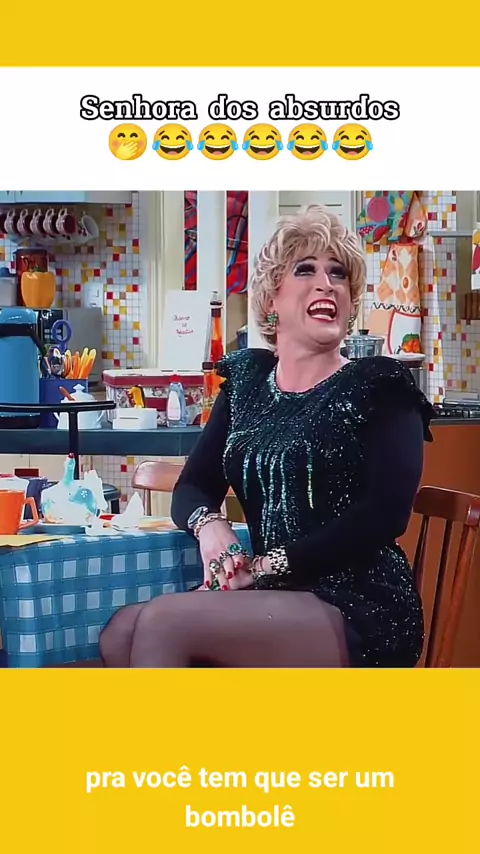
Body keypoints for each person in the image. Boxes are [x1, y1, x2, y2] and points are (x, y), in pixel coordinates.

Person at [100, 204, 435, 669]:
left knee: (163, 623)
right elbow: (193, 486)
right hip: (271, 597)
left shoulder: (379, 384)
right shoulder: (249, 382)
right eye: (306, 270)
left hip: (359, 603)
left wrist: (263, 567)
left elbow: (385, 515)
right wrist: (210, 526)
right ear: (272, 299)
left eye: (338, 274)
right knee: (121, 631)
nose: (327, 283)